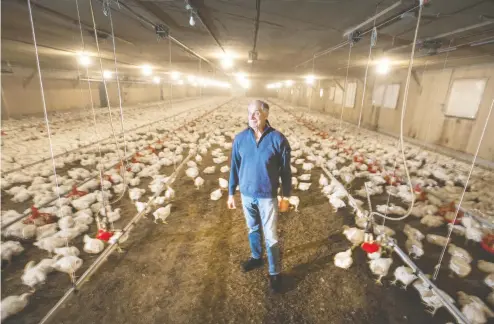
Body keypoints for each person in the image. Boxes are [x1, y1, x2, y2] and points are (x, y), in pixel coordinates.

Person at [227, 99, 292, 293]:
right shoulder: (240, 139)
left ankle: (274, 272)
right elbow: (234, 168)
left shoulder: (278, 139)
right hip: (246, 195)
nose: (252, 116)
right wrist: (231, 192)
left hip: (267, 196)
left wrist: (286, 196)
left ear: (266, 114)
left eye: (256, 112)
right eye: (249, 112)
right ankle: (256, 257)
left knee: (271, 235)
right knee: (252, 228)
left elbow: (286, 172)